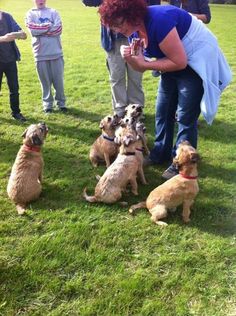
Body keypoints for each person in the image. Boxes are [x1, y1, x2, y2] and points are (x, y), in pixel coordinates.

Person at [98, 0, 232, 179]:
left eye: (119, 23)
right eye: (113, 27)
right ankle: (160, 153)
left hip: (196, 61)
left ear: (132, 14)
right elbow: (141, 66)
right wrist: (130, 58)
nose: (117, 30)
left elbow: (180, 62)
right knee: (163, 110)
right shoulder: (133, 32)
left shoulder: (159, 20)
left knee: (185, 116)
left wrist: (146, 64)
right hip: (174, 60)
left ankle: (182, 163)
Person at [82, 0, 160, 117]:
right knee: (117, 77)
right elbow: (88, 1)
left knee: (135, 76)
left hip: (136, 33)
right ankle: (120, 110)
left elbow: (153, 4)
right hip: (113, 39)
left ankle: (136, 109)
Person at [26, 0, 67, 113]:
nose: (40, 1)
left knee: (59, 81)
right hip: (40, 54)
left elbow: (58, 29)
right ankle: (47, 105)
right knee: (45, 82)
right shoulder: (30, 13)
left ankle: (61, 103)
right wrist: (48, 26)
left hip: (56, 53)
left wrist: (41, 30)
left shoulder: (53, 12)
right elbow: (33, 30)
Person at [0, 11, 27, 122]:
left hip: (10, 59)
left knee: (14, 88)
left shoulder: (7, 16)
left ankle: (16, 112)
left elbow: (23, 34)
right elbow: (5, 38)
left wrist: (18, 34)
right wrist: (4, 38)